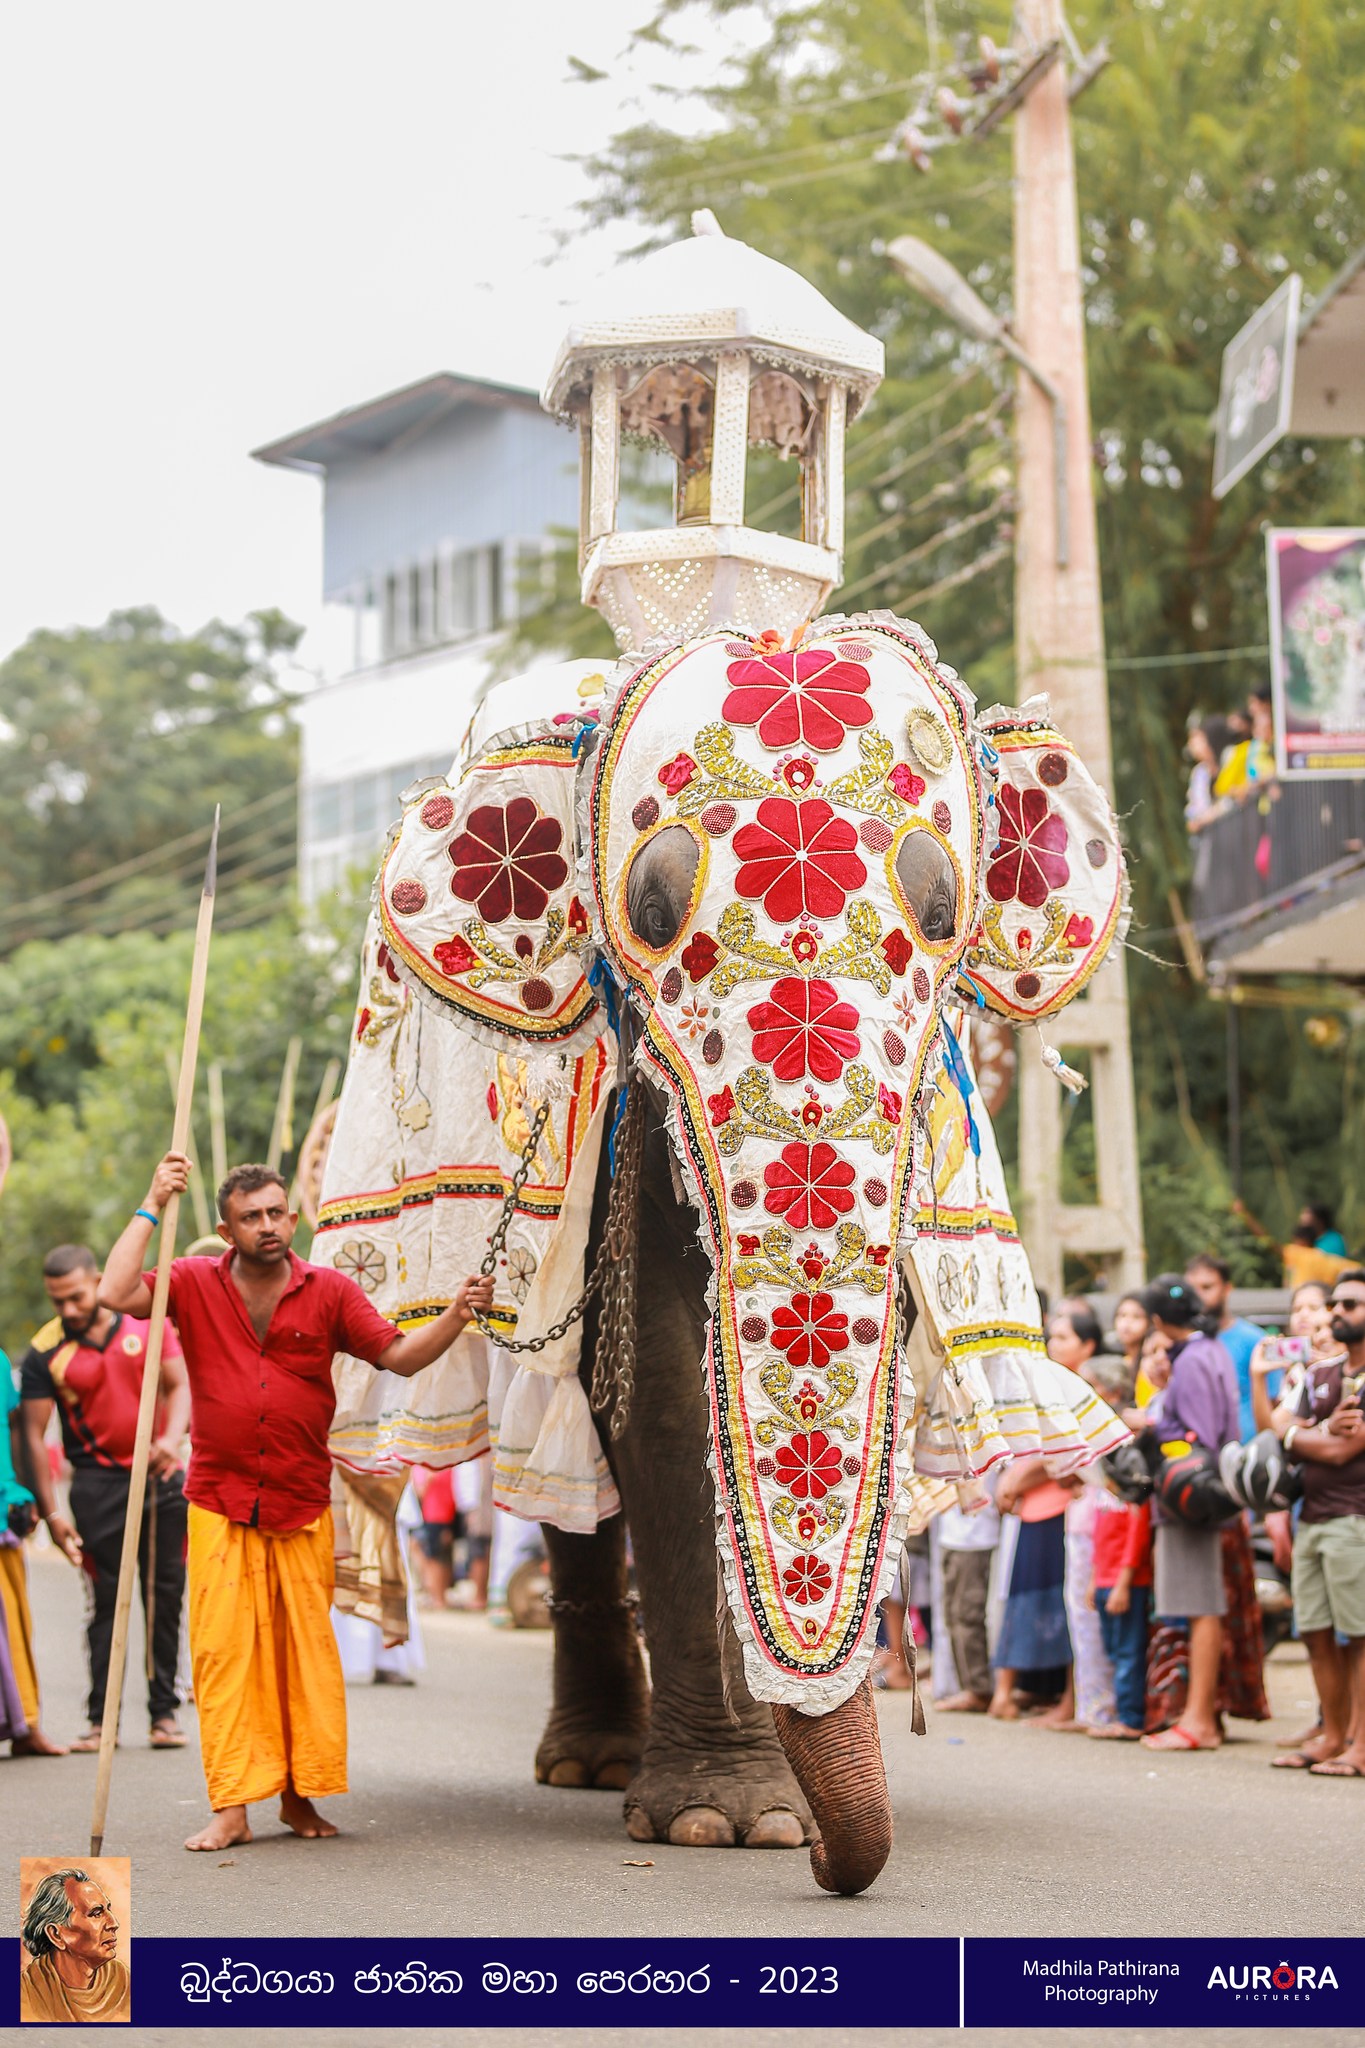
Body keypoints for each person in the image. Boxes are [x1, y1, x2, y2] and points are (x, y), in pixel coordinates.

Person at [99, 1152, 494, 1852]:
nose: (268, 1226)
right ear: (227, 1231)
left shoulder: (329, 1291)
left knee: (301, 1660)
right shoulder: (191, 1282)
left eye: (276, 1213)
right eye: (251, 1218)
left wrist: (458, 1314)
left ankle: (296, 1796)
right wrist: (152, 1199)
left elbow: (399, 1357)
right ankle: (232, 1806)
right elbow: (114, 1290)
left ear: (292, 1215)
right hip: (219, 1501)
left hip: (301, 1501)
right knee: (226, 1659)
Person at [19, 1246, 191, 1752]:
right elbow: (32, 1435)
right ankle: (101, 1720)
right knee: (105, 1606)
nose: (69, 1310)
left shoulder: (145, 1320)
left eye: (76, 1296)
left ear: (97, 1281)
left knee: (165, 1596)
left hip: (160, 1477)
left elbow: (180, 1386)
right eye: (58, 1302)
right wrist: (52, 1513)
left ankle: (164, 1715)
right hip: (96, 1488)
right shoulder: (45, 1351)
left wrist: (171, 1439)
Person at [1132, 1274, 1241, 1753]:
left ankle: (1199, 1721)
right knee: (1200, 1604)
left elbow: (1196, 1437)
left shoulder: (1194, 1357)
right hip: (1205, 1493)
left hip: (1191, 1497)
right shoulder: (1209, 1349)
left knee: (1201, 1606)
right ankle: (1201, 1717)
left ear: (1157, 1320)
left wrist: (1150, 1424)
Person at [1269, 1270, 1365, 1777]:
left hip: (1355, 1520)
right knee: (1316, 1632)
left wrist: (1307, 1436)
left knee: (1360, 1635)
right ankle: (1333, 1736)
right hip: (1313, 1517)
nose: (1336, 1313)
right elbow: (1279, 1422)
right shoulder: (1324, 1374)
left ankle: (1360, 1745)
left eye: (1350, 1304)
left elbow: (1346, 1447)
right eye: (1335, 1303)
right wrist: (1310, 1433)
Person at [1, 1350, 65, 1755]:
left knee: (15, 1622)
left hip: (3, 1502)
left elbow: (17, 1428)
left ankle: (25, 1724)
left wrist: (30, 1494)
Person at [20, 1868, 129, 2023]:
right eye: (96, 1913)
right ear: (56, 1934)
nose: (114, 1923)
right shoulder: (27, 1995)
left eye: (108, 1910)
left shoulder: (123, 1981)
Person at [1184, 1253, 1264, 1443]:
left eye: (1207, 1287)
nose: (1198, 1296)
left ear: (1227, 1288)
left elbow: (1274, 1403)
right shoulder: (1179, 1343)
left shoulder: (1255, 1340)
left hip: (1245, 1452)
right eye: (1191, 1289)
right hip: (1195, 1456)